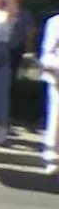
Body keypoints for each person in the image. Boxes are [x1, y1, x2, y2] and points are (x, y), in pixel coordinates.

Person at [39, 10, 59, 176]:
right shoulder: (55, 22)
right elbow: (47, 54)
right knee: (56, 119)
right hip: (58, 79)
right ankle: (52, 157)